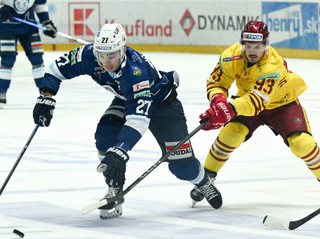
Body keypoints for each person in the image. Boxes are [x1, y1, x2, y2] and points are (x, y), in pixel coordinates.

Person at [32, 23, 223, 219]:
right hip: (127, 99)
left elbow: (139, 119)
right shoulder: (88, 55)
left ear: (123, 50)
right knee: (105, 139)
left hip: (163, 105)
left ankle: (203, 182)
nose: (106, 62)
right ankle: (115, 188)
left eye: (112, 56)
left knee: (181, 166)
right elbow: (55, 70)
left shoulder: (136, 71)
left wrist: (122, 148)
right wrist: (47, 96)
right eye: (102, 55)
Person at [190, 20, 320, 206]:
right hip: (246, 100)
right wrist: (218, 100)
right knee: (230, 134)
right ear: (242, 44)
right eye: (248, 46)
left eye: (257, 46)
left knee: (303, 144)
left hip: (282, 104)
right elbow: (216, 83)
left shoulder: (273, 65)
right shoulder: (230, 57)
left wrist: (228, 110)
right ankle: (206, 180)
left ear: (266, 46)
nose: (252, 51)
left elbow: (256, 102)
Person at [0, 1, 57, 108]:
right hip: (6, 27)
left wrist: (46, 23)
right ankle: (1, 92)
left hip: (29, 28)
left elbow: (40, 6)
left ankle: (44, 93)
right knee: (8, 60)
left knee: (37, 60)